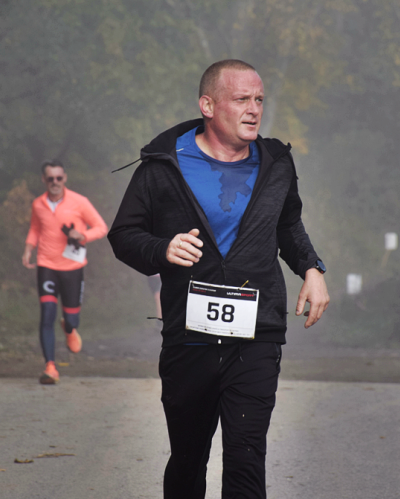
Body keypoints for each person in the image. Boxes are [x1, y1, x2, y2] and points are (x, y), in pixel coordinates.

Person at [108, 59, 329, 498]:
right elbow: (124, 235)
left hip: (256, 332)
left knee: (247, 458)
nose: (254, 110)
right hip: (189, 335)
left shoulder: (276, 164)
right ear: (208, 105)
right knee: (188, 460)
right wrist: (162, 249)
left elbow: (288, 226)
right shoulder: (162, 166)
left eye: (259, 100)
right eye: (241, 99)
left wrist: (312, 269)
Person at [23, 159, 108, 384]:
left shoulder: (80, 202)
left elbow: (101, 227)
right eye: (50, 178)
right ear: (44, 180)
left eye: (59, 178)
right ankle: (50, 367)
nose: (55, 182)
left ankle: (69, 328)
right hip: (46, 265)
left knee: (72, 319)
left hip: (72, 267)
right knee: (47, 315)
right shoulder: (38, 204)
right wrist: (28, 248)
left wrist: (83, 236)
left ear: (65, 178)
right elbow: (35, 227)